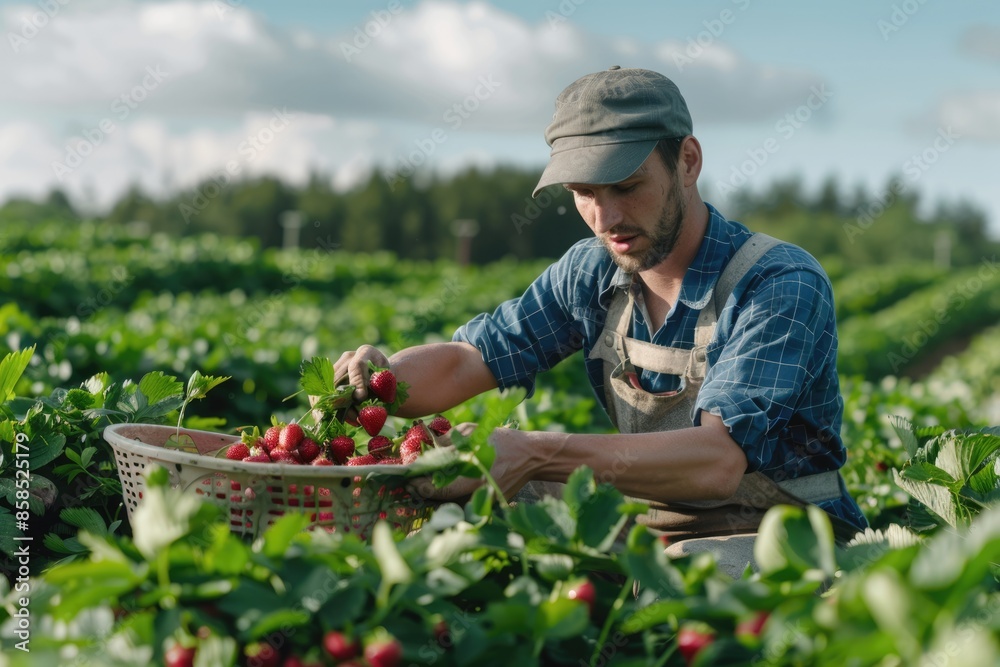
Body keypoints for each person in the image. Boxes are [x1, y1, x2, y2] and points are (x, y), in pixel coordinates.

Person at [333, 66, 867, 576]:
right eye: (584, 194)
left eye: (628, 186)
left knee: (679, 602)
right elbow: (469, 361)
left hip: (780, 531)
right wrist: (382, 378)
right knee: (465, 520)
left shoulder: (777, 282)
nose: (605, 218)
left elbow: (717, 462)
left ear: (687, 161)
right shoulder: (591, 270)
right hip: (650, 517)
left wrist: (536, 452)